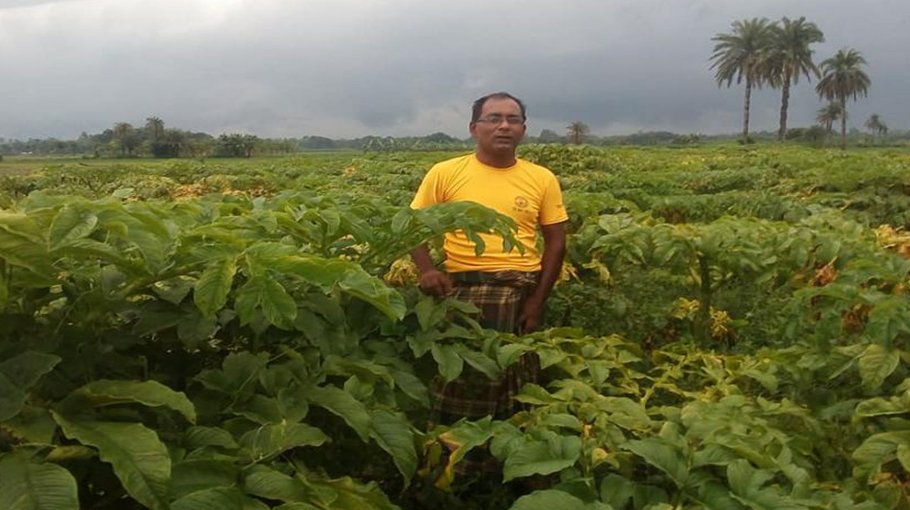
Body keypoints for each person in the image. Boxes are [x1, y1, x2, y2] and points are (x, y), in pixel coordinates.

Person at [409, 92, 568, 451]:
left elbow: (556, 243)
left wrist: (536, 303)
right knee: (464, 379)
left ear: (523, 129)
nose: (504, 126)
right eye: (494, 118)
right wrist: (427, 270)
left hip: (519, 290)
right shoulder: (445, 173)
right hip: (460, 292)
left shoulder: (541, 178)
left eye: (513, 119)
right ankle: (456, 460)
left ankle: (506, 461)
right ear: (473, 128)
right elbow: (413, 226)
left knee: (516, 380)